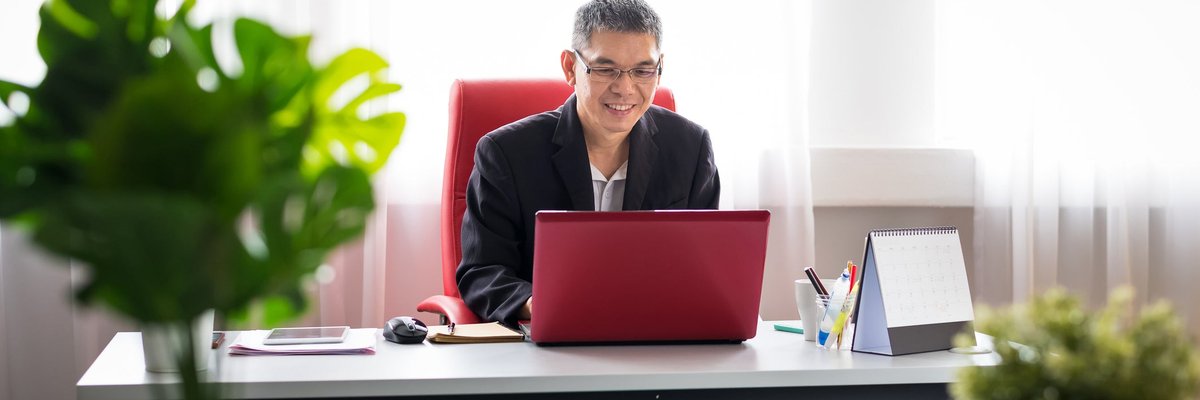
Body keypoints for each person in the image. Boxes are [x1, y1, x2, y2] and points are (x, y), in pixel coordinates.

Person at [456, 0, 720, 327]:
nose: (625, 88)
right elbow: (482, 272)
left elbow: (705, 270)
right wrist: (537, 304)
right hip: (548, 345)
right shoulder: (506, 153)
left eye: (642, 70)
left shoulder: (690, 149)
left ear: (660, 67)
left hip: (656, 339)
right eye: (606, 69)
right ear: (570, 67)